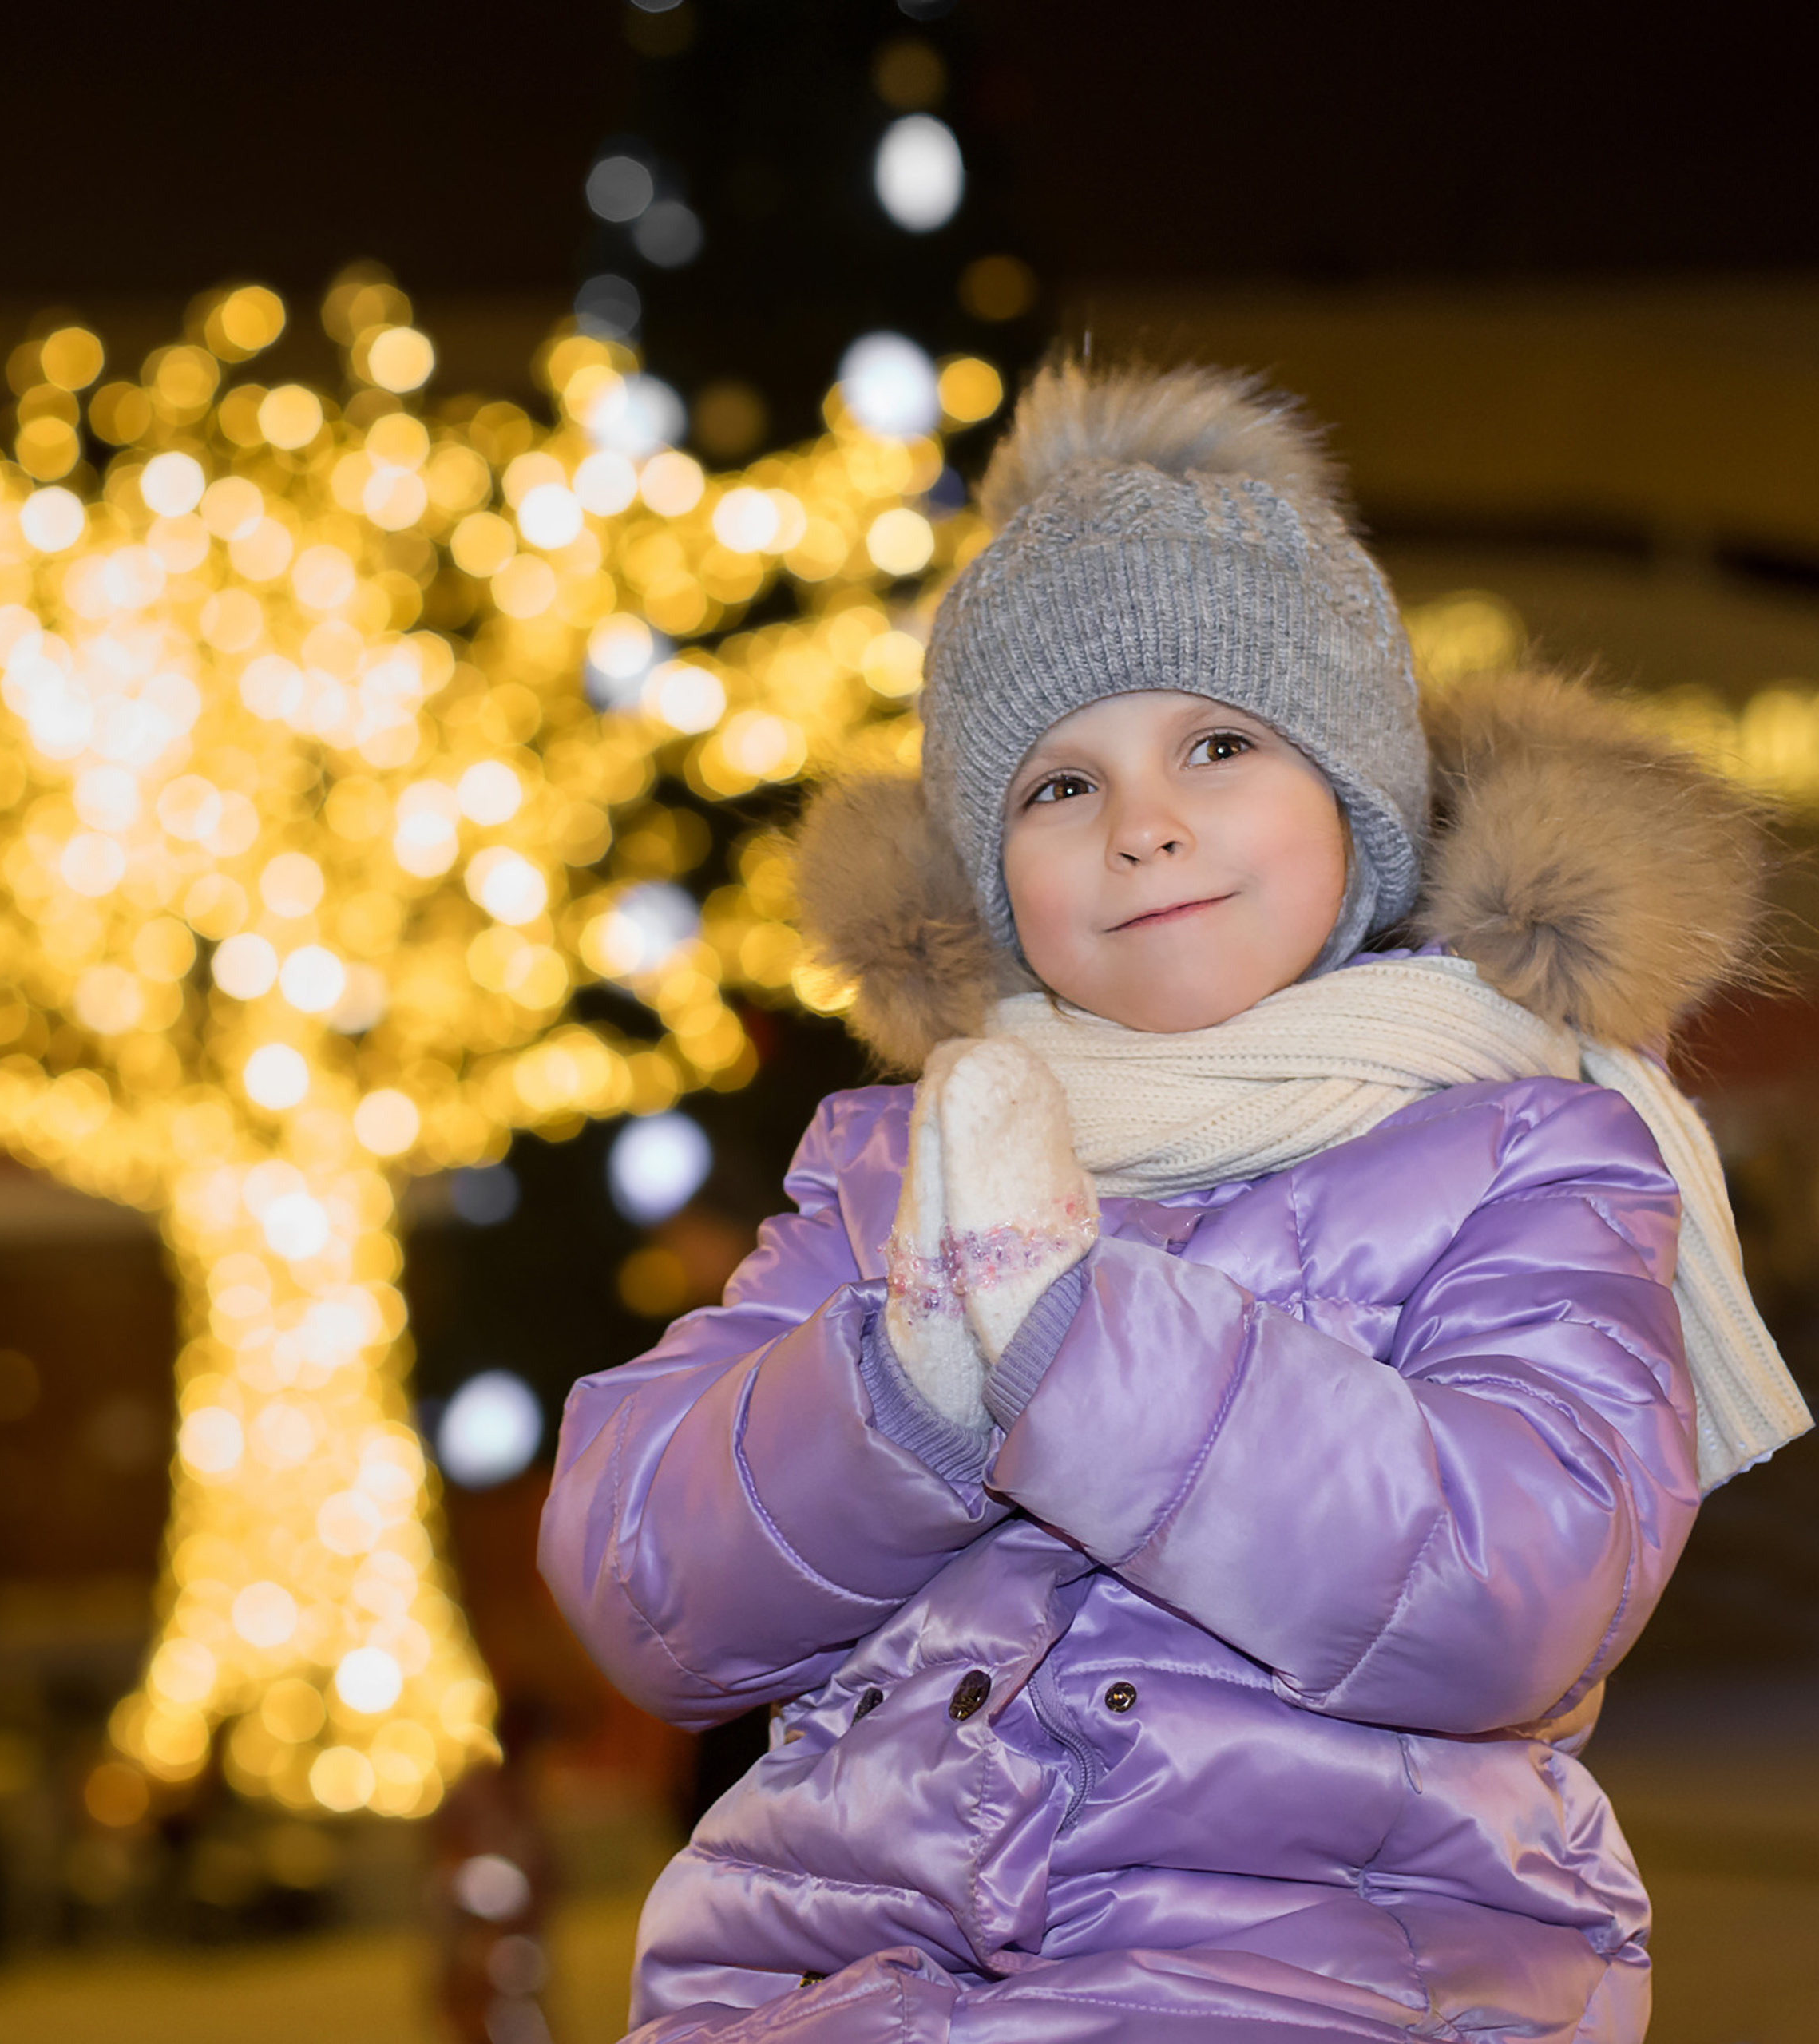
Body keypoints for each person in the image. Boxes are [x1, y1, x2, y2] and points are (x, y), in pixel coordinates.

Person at [538, 358, 1811, 2041]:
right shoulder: (896, 1162)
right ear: (990, 873)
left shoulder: (1526, 1151)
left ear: (1352, 805)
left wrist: (1075, 1343)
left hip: (1327, 1965)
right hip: (832, 1971)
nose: (1142, 825)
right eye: (1055, 783)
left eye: (1216, 742)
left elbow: (1516, 1585)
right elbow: (646, 1584)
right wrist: (903, 1391)